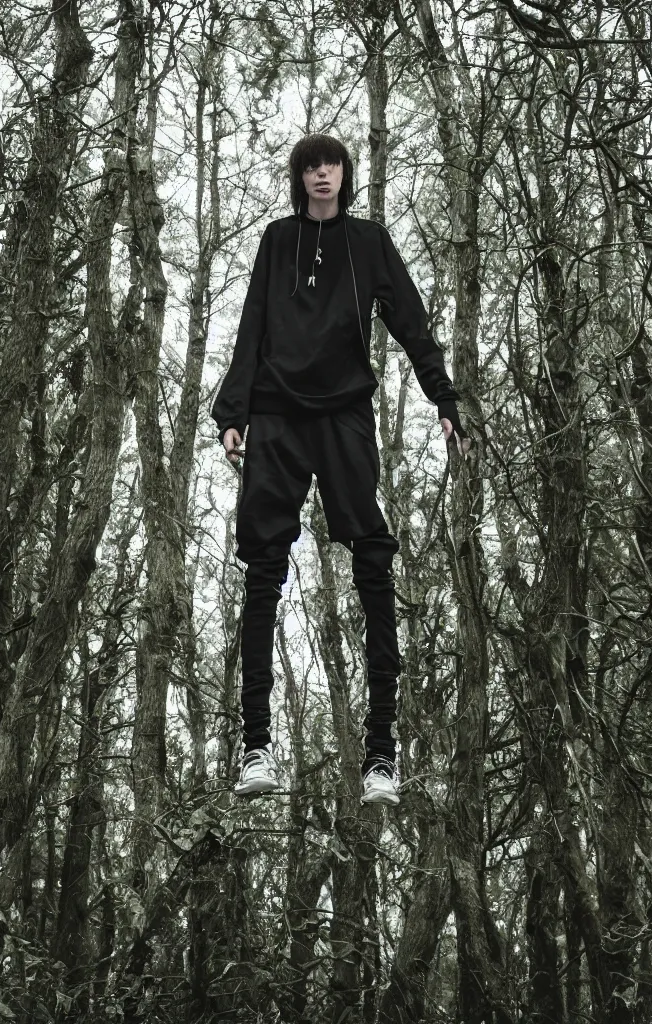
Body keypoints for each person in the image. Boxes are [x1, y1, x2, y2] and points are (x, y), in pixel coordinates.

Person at [212, 133, 469, 806]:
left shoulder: (368, 242)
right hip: (275, 412)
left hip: (345, 412)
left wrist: (443, 397)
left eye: (331, 165)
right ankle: (256, 749)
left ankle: (381, 755)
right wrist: (233, 411)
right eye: (309, 167)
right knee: (264, 564)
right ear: (297, 178)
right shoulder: (276, 240)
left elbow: (411, 322)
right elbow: (254, 323)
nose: (321, 174)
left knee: (372, 554)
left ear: (344, 174)